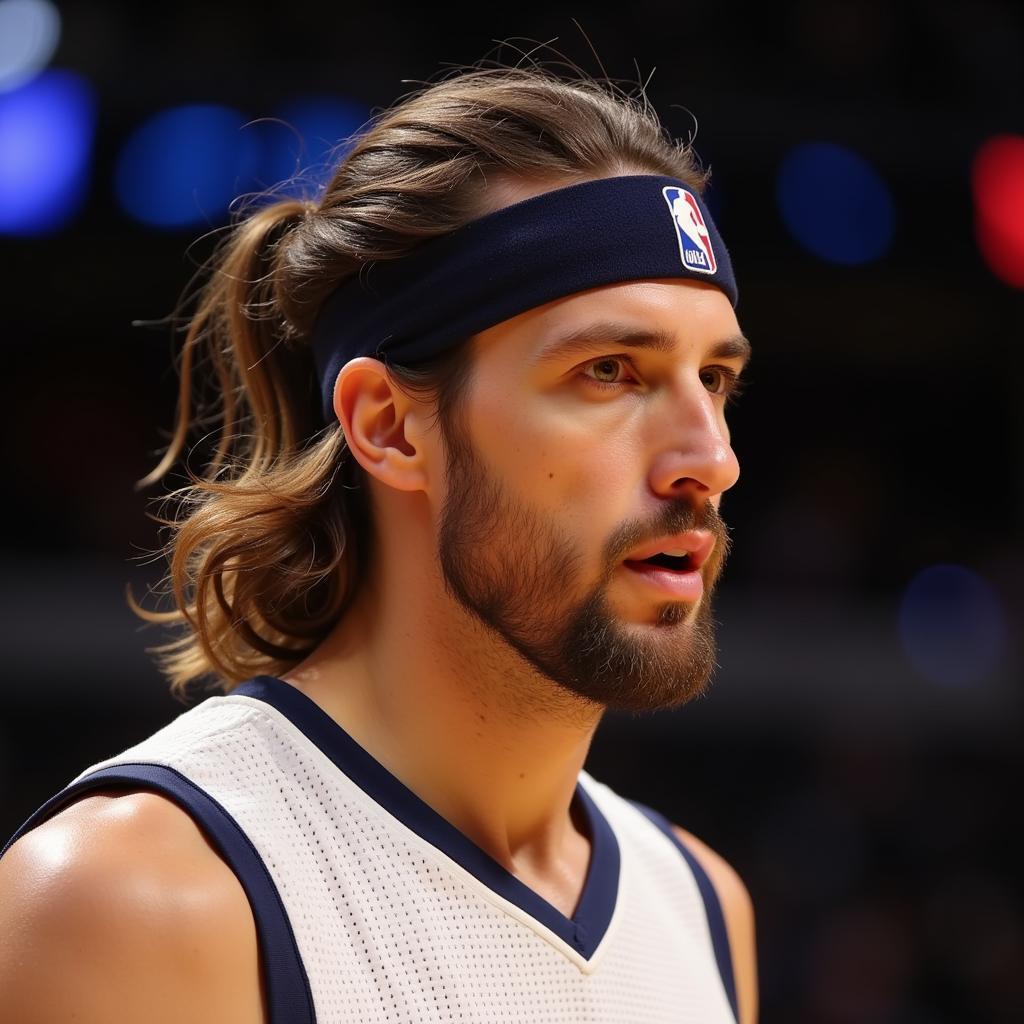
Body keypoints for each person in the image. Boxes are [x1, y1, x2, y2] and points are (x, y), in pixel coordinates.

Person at [0, 65, 757, 1023]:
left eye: (716, 380)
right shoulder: (129, 900)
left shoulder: (703, 906)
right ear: (391, 426)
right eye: (610, 372)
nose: (710, 458)